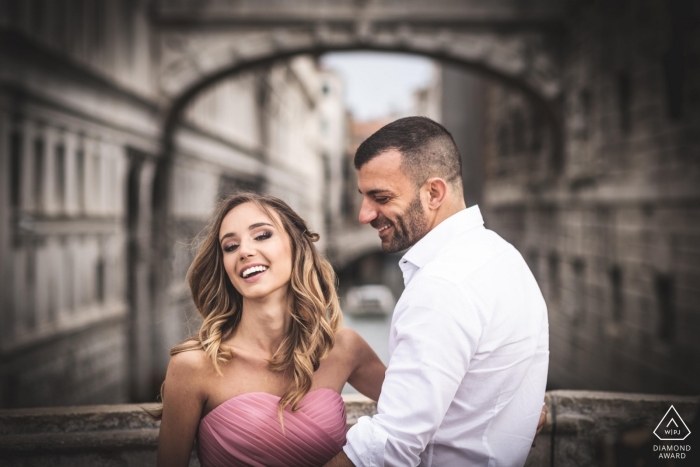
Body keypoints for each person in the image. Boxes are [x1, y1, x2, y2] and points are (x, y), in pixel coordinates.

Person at [325, 116, 550, 467]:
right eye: (363, 197)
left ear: (433, 193)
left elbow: (389, 447)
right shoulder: (505, 257)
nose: (364, 214)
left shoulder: (441, 286)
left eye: (380, 197)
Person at [154, 192, 386, 467]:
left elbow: (422, 411)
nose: (244, 251)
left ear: (296, 245)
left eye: (262, 235)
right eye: (230, 246)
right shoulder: (193, 366)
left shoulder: (345, 348)